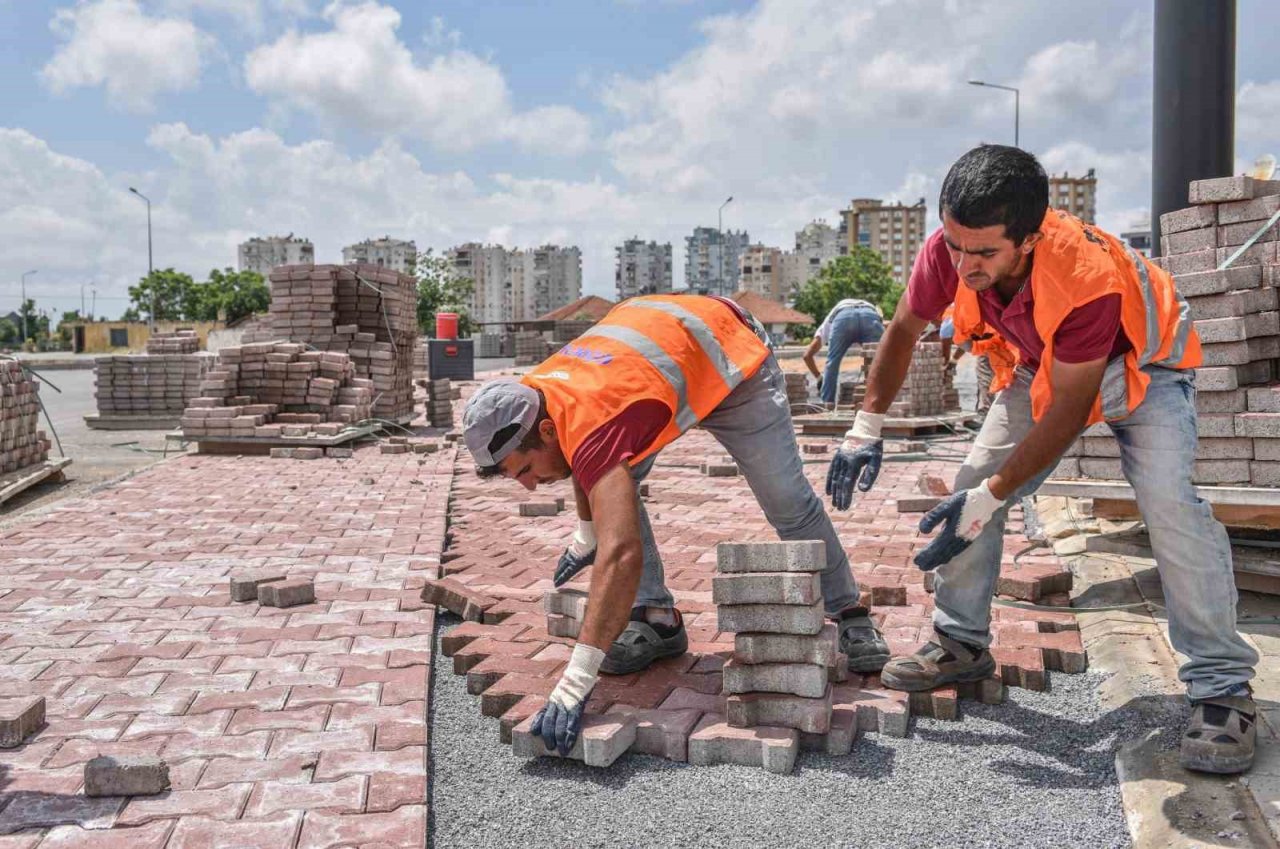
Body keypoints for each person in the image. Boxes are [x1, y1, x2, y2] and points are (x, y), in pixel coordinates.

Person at [824, 144, 1258, 775]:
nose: (964, 266)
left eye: (983, 253)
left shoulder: (1083, 276)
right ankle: (960, 641)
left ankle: (1221, 686)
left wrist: (994, 499)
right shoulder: (952, 249)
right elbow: (901, 330)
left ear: (1028, 239)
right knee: (970, 478)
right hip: (1039, 362)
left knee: (1170, 508)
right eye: (954, 245)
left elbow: (1067, 414)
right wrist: (865, 426)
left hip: (1141, 364)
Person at [462, 294, 888, 756]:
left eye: (524, 471)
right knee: (614, 491)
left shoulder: (586, 421)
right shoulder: (534, 395)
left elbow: (621, 552)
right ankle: (656, 619)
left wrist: (573, 685)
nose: (528, 487)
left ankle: (849, 612)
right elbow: (581, 458)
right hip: (660, 370)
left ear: (544, 432)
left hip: (730, 360)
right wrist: (586, 535)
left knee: (786, 499)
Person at [803, 299, 885, 405]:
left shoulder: (828, 323)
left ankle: (827, 404)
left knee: (833, 361)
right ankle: (880, 402)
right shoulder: (873, 311)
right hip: (870, 316)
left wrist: (820, 378)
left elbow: (807, 355)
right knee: (880, 359)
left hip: (844, 317)